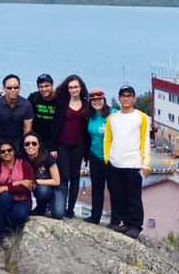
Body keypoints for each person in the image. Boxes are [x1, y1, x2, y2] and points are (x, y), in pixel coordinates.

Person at [104, 84, 151, 239]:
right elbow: (108, 140)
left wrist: (146, 164)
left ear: (134, 98)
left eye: (129, 96)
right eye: (123, 96)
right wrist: (107, 158)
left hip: (133, 163)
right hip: (115, 162)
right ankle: (123, 222)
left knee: (133, 197)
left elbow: (145, 141)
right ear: (119, 98)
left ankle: (136, 225)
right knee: (118, 195)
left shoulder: (142, 117)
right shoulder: (112, 118)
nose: (126, 99)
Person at [52, 74, 90, 218]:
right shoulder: (61, 103)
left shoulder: (86, 104)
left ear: (81, 88)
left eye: (76, 87)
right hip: (62, 144)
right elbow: (55, 125)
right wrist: (53, 147)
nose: (73, 90)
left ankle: (70, 209)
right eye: (71, 87)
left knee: (76, 178)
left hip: (79, 145)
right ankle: (59, 205)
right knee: (64, 177)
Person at [0, 141, 34, 240]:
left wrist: (5, 187)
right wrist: (17, 183)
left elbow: (28, 186)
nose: (6, 153)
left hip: (22, 199)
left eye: (9, 150)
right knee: (5, 196)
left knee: (20, 214)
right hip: (2, 200)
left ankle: (2, 223)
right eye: (3, 151)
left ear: (14, 151)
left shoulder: (25, 164)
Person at [86, 88, 115, 226]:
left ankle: (115, 219)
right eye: (94, 100)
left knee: (113, 188)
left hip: (110, 157)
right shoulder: (89, 116)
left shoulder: (114, 114)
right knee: (96, 188)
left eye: (99, 99)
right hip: (94, 155)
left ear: (104, 100)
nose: (97, 102)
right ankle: (95, 216)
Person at [0, 74, 34, 148]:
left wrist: (24, 145)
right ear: (4, 89)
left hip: (19, 141)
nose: (13, 90)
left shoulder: (26, 105)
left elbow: (27, 129)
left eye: (16, 87)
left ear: (20, 88)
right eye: (9, 88)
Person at [21, 132, 62, 217]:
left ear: (39, 145)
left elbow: (57, 181)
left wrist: (35, 181)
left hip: (52, 187)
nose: (30, 146)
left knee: (58, 214)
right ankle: (40, 207)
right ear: (23, 146)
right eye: (27, 144)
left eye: (34, 143)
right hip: (34, 187)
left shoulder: (47, 157)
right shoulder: (21, 158)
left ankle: (46, 205)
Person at [27, 74, 59, 154]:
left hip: (55, 142)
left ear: (52, 85)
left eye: (47, 86)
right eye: (41, 86)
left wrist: (54, 147)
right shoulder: (33, 97)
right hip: (37, 141)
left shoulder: (59, 99)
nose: (44, 89)